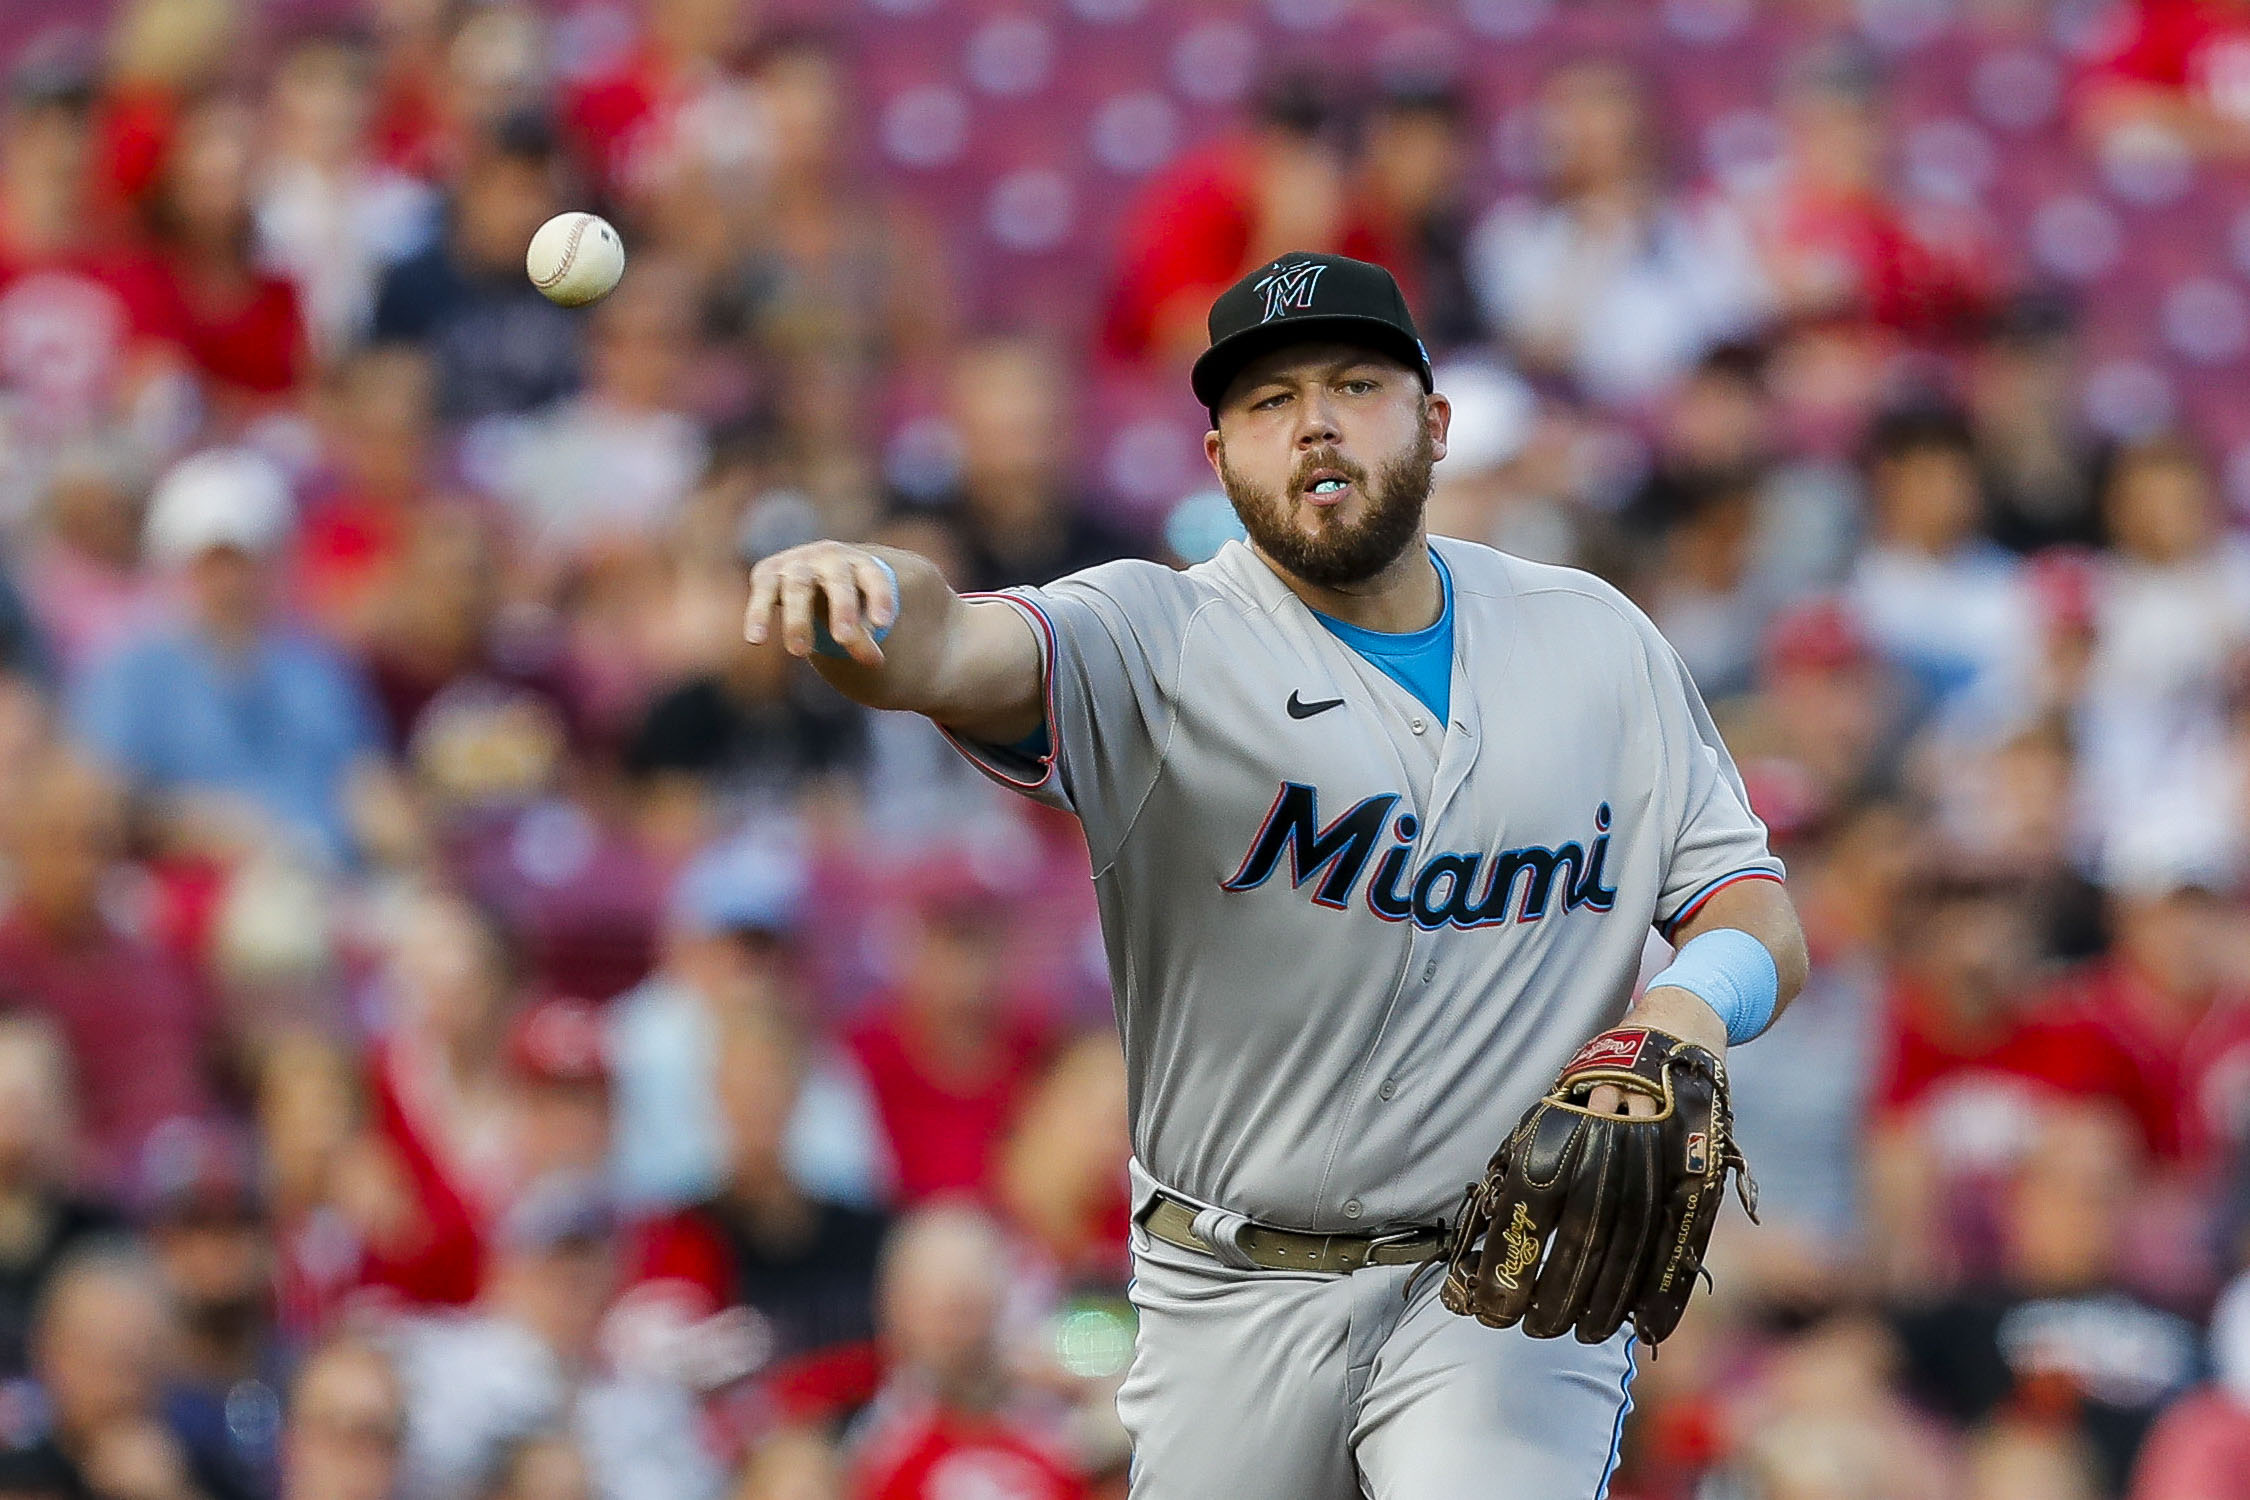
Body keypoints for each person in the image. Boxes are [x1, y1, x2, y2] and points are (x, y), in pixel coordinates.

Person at [742, 251, 1807, 1497]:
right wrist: (871, 603)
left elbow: (1754, 911)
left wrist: (1690, 1003)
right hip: (1224, 1285)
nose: (1313, 423)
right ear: (1218, 459)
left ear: (1435, 422)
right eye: (1265, 401)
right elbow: (956, 644)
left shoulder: (1598, 641)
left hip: (1498, 1276)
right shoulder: (1157, 636)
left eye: (1355, 384)